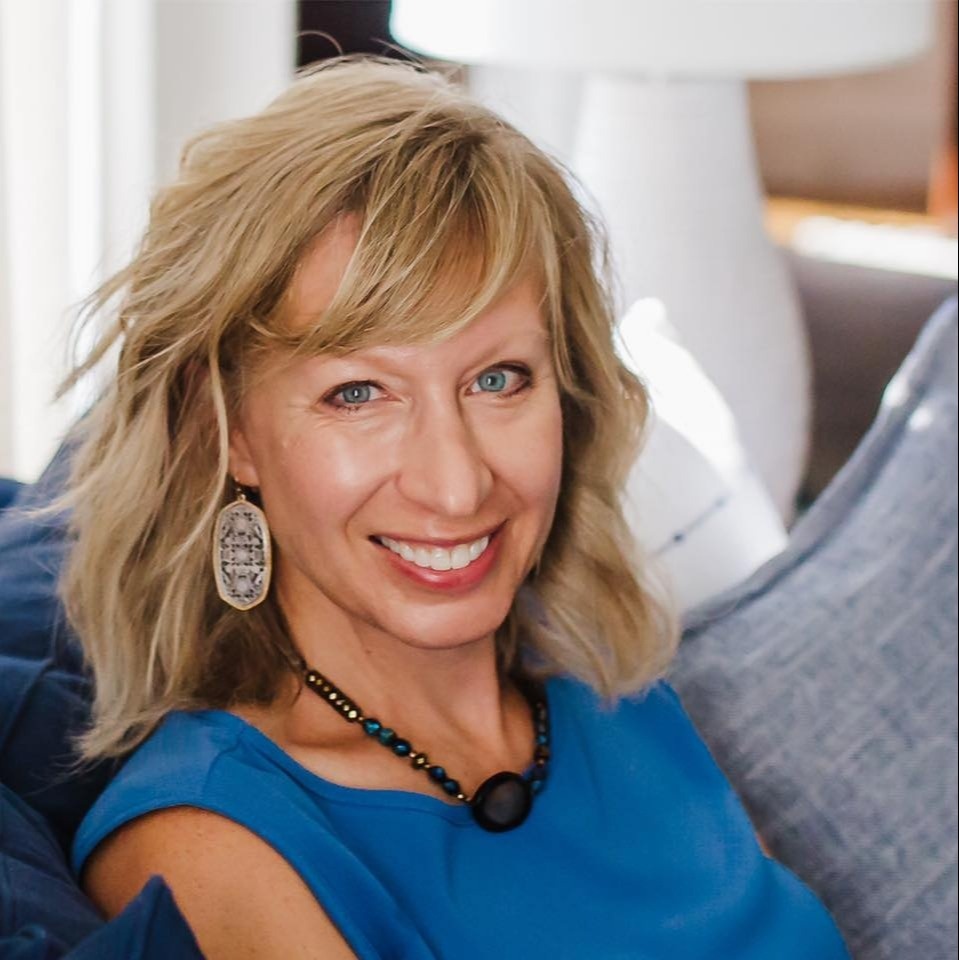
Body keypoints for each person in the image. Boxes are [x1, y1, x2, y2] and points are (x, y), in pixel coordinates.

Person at [61, 57, 850, 958]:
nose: (457, 485)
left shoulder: (623, 702)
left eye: (497, 379)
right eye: (359, 394)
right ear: (227, 431)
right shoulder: (211, 851)